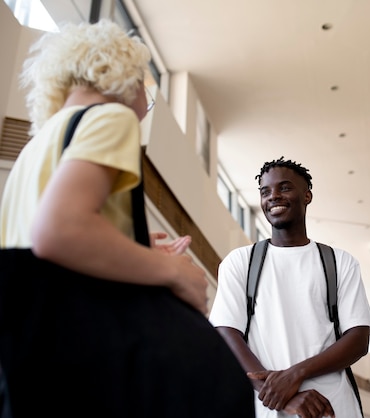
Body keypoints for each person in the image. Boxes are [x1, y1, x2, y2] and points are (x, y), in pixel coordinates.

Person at [0, 19, 254, 417]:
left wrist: (133, 243)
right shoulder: (109, 117)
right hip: (87, 345)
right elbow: (59, 231)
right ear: (129, 79)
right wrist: (172, 271)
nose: (143, 108)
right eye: (148, 94)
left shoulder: (35, 148)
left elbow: (36, 242)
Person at [209, 157, 370, 418]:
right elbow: (226, 333)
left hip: (331, 407)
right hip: (267, 409)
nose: (273, 196)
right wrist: (280, 396)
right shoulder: (240, 261)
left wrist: (295, 375)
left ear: (307, 195)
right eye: (265, 192)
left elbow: (358, 339)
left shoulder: (339, 262)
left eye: (284, 188)